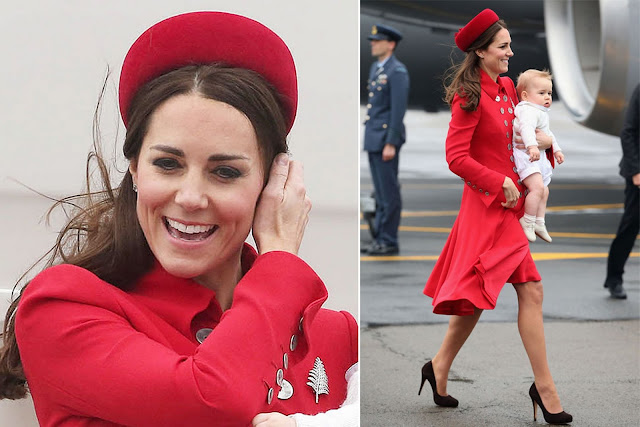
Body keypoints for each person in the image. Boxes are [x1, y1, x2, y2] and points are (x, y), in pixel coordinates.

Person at [0, 12, 358, 427]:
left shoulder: (336, 337)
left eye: (225, 172)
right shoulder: (62, 308)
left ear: (272, 184)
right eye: (168, 164)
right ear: (135, 169)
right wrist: (279, 257)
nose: (190, 198)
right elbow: (211, 402)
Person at [421, 9, 572, 424]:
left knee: (481, 299)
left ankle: (438, 367)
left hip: (511, 204)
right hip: (490, 207)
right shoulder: (468, 98)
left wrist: (545, 142)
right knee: (519, 291)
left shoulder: (507, 87)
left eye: (508, 45)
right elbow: (456, 158)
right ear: (481, 51)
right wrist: (496, 181)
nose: (510, 52)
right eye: (503, 46)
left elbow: (522, 132)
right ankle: (544, 389)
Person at [361, 23, 410, 255]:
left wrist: (391, 141)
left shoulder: (397, 72)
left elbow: (397, 110)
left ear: (390, 44)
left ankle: (389, 240)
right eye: (372, 41)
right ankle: (379, 237)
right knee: (380, 192)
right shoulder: (377, 69)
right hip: (374, 137)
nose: (373, 44)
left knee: (389, 192)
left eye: (377, 41)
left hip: (385, 140)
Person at [512, 69, 565, 242]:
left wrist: (555, 149)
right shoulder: (527, 110)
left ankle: (539, 222)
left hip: (536, 156)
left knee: (545, 190)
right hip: (526, 156)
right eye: (541, 93)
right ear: (526, 95)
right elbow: (526, 129)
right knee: (537, 189)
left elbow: (548, 133)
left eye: (549, 93)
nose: (547, 97)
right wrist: (532, 146)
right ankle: (527, 220)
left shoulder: (540, 111)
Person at [603, 84, 639, 299]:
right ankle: (614, 278)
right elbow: (628, 132)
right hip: (638, 173)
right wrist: (635, 171)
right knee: (630, 225)